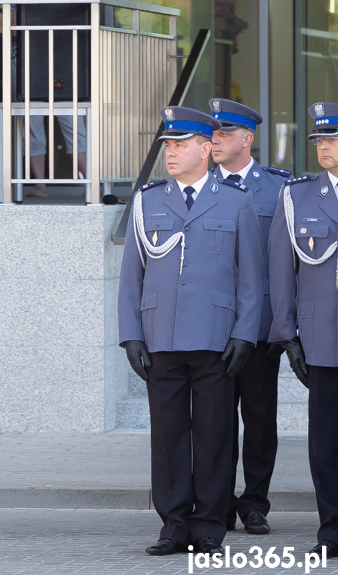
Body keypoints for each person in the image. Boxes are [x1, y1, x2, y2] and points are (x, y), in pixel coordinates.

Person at [118, 106, 262, 556]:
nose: (172, 154)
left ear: (205, 148)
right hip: (161, 336)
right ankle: (174, 524)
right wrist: (130, 335)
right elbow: (131, 278)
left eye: (181, 145)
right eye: (168, 146)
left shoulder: (237, 201)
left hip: (216, 337)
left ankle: (209, 525)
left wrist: (245, 335)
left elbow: (251, 280)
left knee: (215, 434)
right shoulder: (148, 201)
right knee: (168, 435)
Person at [209, 98, 291, 536]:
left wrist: (285, 323)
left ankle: (255, 503)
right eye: (212, 134)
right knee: (215, 419)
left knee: (259, 418)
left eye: (224, 134)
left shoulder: (279, 190)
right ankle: (218, 502)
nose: (215, 141)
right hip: (213, 325)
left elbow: (289, 262)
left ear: (248, 138)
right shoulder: (201, 185)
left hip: (260, 325)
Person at [269, 101, 338, 559]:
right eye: (318, 140)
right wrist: (287, 333)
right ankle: (331, 527)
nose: (323, 147)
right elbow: (281, 269)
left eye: (331, 139)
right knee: (326, 442)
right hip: (324, 339)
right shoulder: (297, 196)